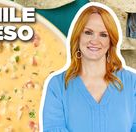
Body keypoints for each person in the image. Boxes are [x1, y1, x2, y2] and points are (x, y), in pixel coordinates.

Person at [42, 2, 136, 132]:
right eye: (88, 32)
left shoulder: (132, 83)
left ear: (111, 41)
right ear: (78, 37)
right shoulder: (57, 85)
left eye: (103, 34)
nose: (94, 40)